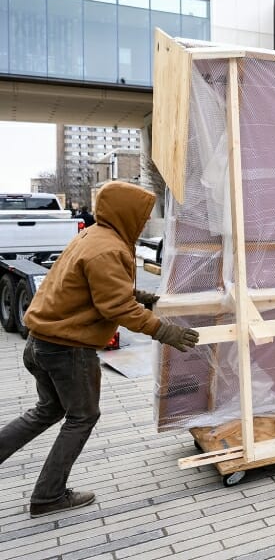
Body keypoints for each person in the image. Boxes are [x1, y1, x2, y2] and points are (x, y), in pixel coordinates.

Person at [0, 181, 199, 518]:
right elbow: (115, 308)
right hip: (68, 349)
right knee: (83, 416)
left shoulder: (92, 237)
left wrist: (142, 298)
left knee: (48, 409)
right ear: (126, 212)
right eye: (142, 214)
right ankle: (49, 495)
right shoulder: (109, 248)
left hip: (41, 343)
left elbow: (95, 290)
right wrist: (164, 330)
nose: (143, 220)